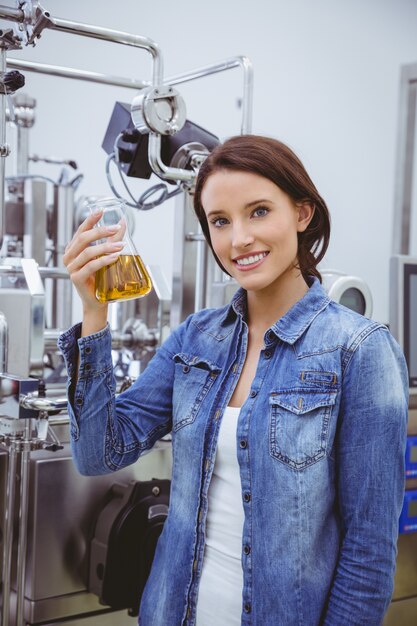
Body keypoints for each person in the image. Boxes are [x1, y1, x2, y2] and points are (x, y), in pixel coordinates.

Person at [59, 135, 408, 626]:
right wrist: (94, 312)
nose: (238, 239)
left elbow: (369, 551)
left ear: (303, 214)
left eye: (259, 211)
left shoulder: (360, 350)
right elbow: (99, 453)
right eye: (220, 221)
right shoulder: (195, 339)